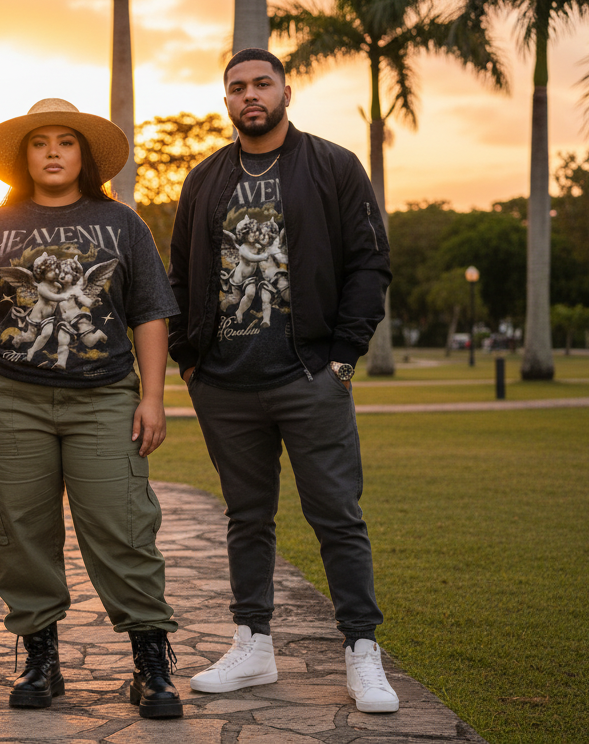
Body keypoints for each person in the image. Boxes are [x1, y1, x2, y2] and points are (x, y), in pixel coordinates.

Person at [169, 49, 399, 713]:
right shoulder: (206, 179)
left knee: (336, 515)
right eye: (237, 87)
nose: (250, 95)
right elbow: (182, 275)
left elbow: (368, 263)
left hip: (308, 375)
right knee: (247, 517)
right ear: (227, 102)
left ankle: (361, 650)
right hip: (226, 384)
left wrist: (343, 358)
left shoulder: (331, 166)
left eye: (261, 83)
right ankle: (253, 644)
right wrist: (192, 359)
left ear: (286, 91)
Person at [0, 99, 183, 719]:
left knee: (123, 523)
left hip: (104, 396)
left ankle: (150, 662)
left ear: (85, 156)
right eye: (40, 142)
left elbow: (150, 313)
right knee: (17, 526)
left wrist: (153, 398)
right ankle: (40, 657)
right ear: (23, 156)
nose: (52, 152)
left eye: (66, 142)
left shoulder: (122, 223)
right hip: (8, 396)